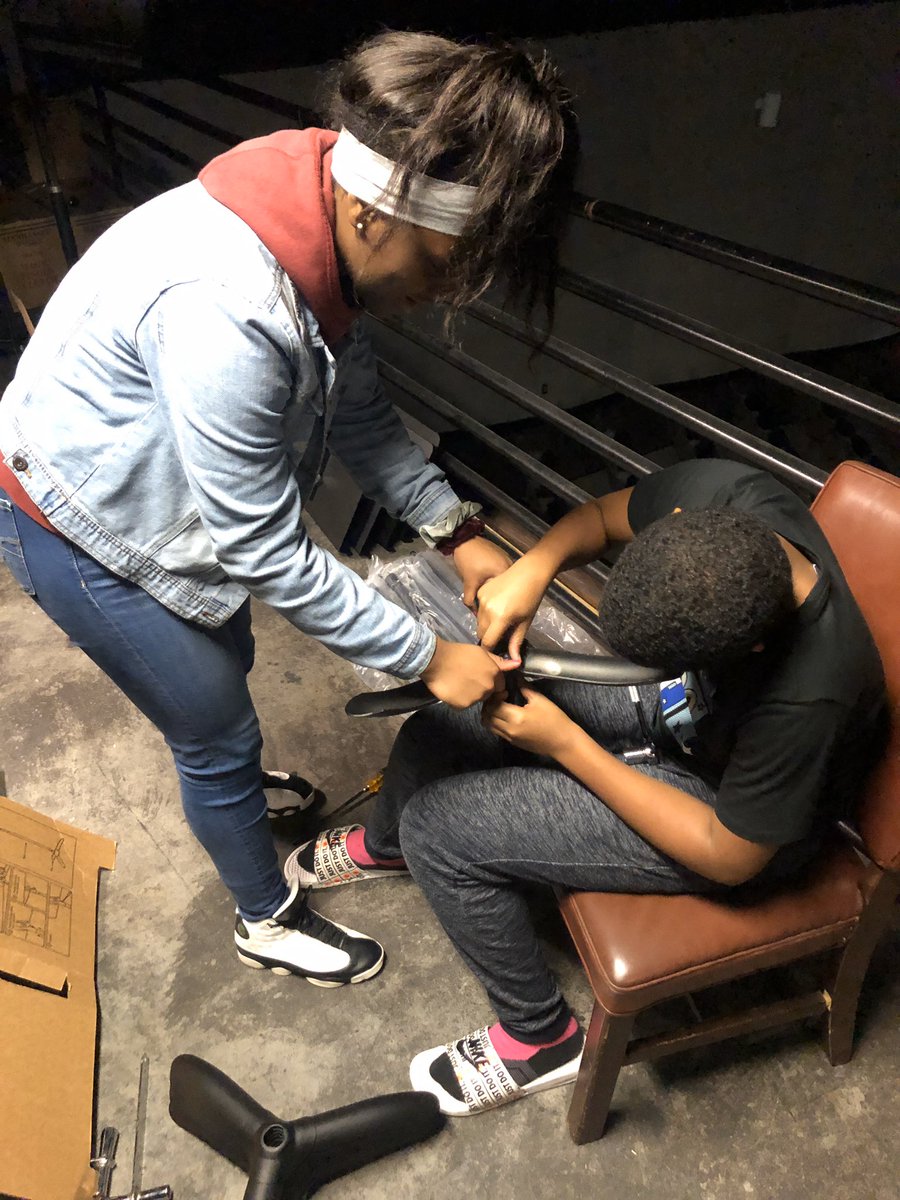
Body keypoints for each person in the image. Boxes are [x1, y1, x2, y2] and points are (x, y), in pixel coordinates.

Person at [0, 33, 578, 987]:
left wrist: (458, 534)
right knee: (215, 725)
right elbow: (266, 550)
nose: (436, 293)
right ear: (376, 211)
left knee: (221, 657)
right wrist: (432, 657)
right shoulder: (230, 307)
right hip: (73, 519)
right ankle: (263, 916)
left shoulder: (318, 218)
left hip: (151, 490)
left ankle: (225, 774)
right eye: (442, 267)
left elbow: (361, 415)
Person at [293, 458, 886, 1114]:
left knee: (440, 830)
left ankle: (540, 1037)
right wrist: (533, 571)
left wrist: (567, 745)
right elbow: (603, 518)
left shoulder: (811, 698)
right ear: (681, 522)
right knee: (458, 710)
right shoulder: (724, 493)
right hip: (687, 711)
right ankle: (387, 845)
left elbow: (731, 854)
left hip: (729, 819)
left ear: (746, 653)